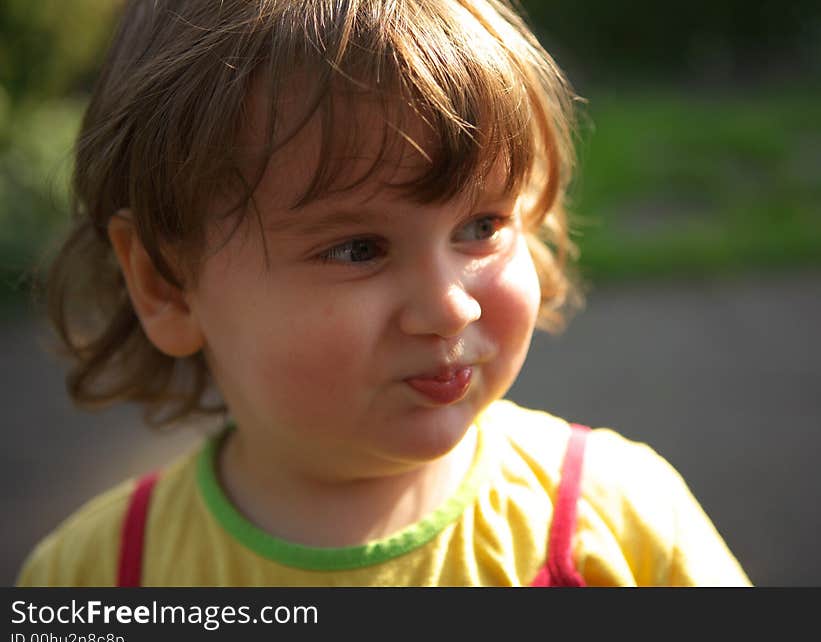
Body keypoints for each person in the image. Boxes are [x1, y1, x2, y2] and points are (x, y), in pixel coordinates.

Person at [17, 0, 750, 587]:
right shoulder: (98, 575)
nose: (449, 307)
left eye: (482, 225)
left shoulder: (615, 523)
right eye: (357, 248)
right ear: (166, 283)